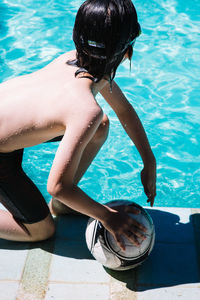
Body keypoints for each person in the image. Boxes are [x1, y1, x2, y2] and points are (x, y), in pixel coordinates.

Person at [0, 0, 156, 250]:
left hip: (6, 131)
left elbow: (124, 110)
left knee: (100, 126)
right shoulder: (85, 109)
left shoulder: (73, 60)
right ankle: (62, 204)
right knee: (41, 230)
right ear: (127, 49)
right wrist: (107, 217)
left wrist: (149, 160)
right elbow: (57, 186)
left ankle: (64, 206)